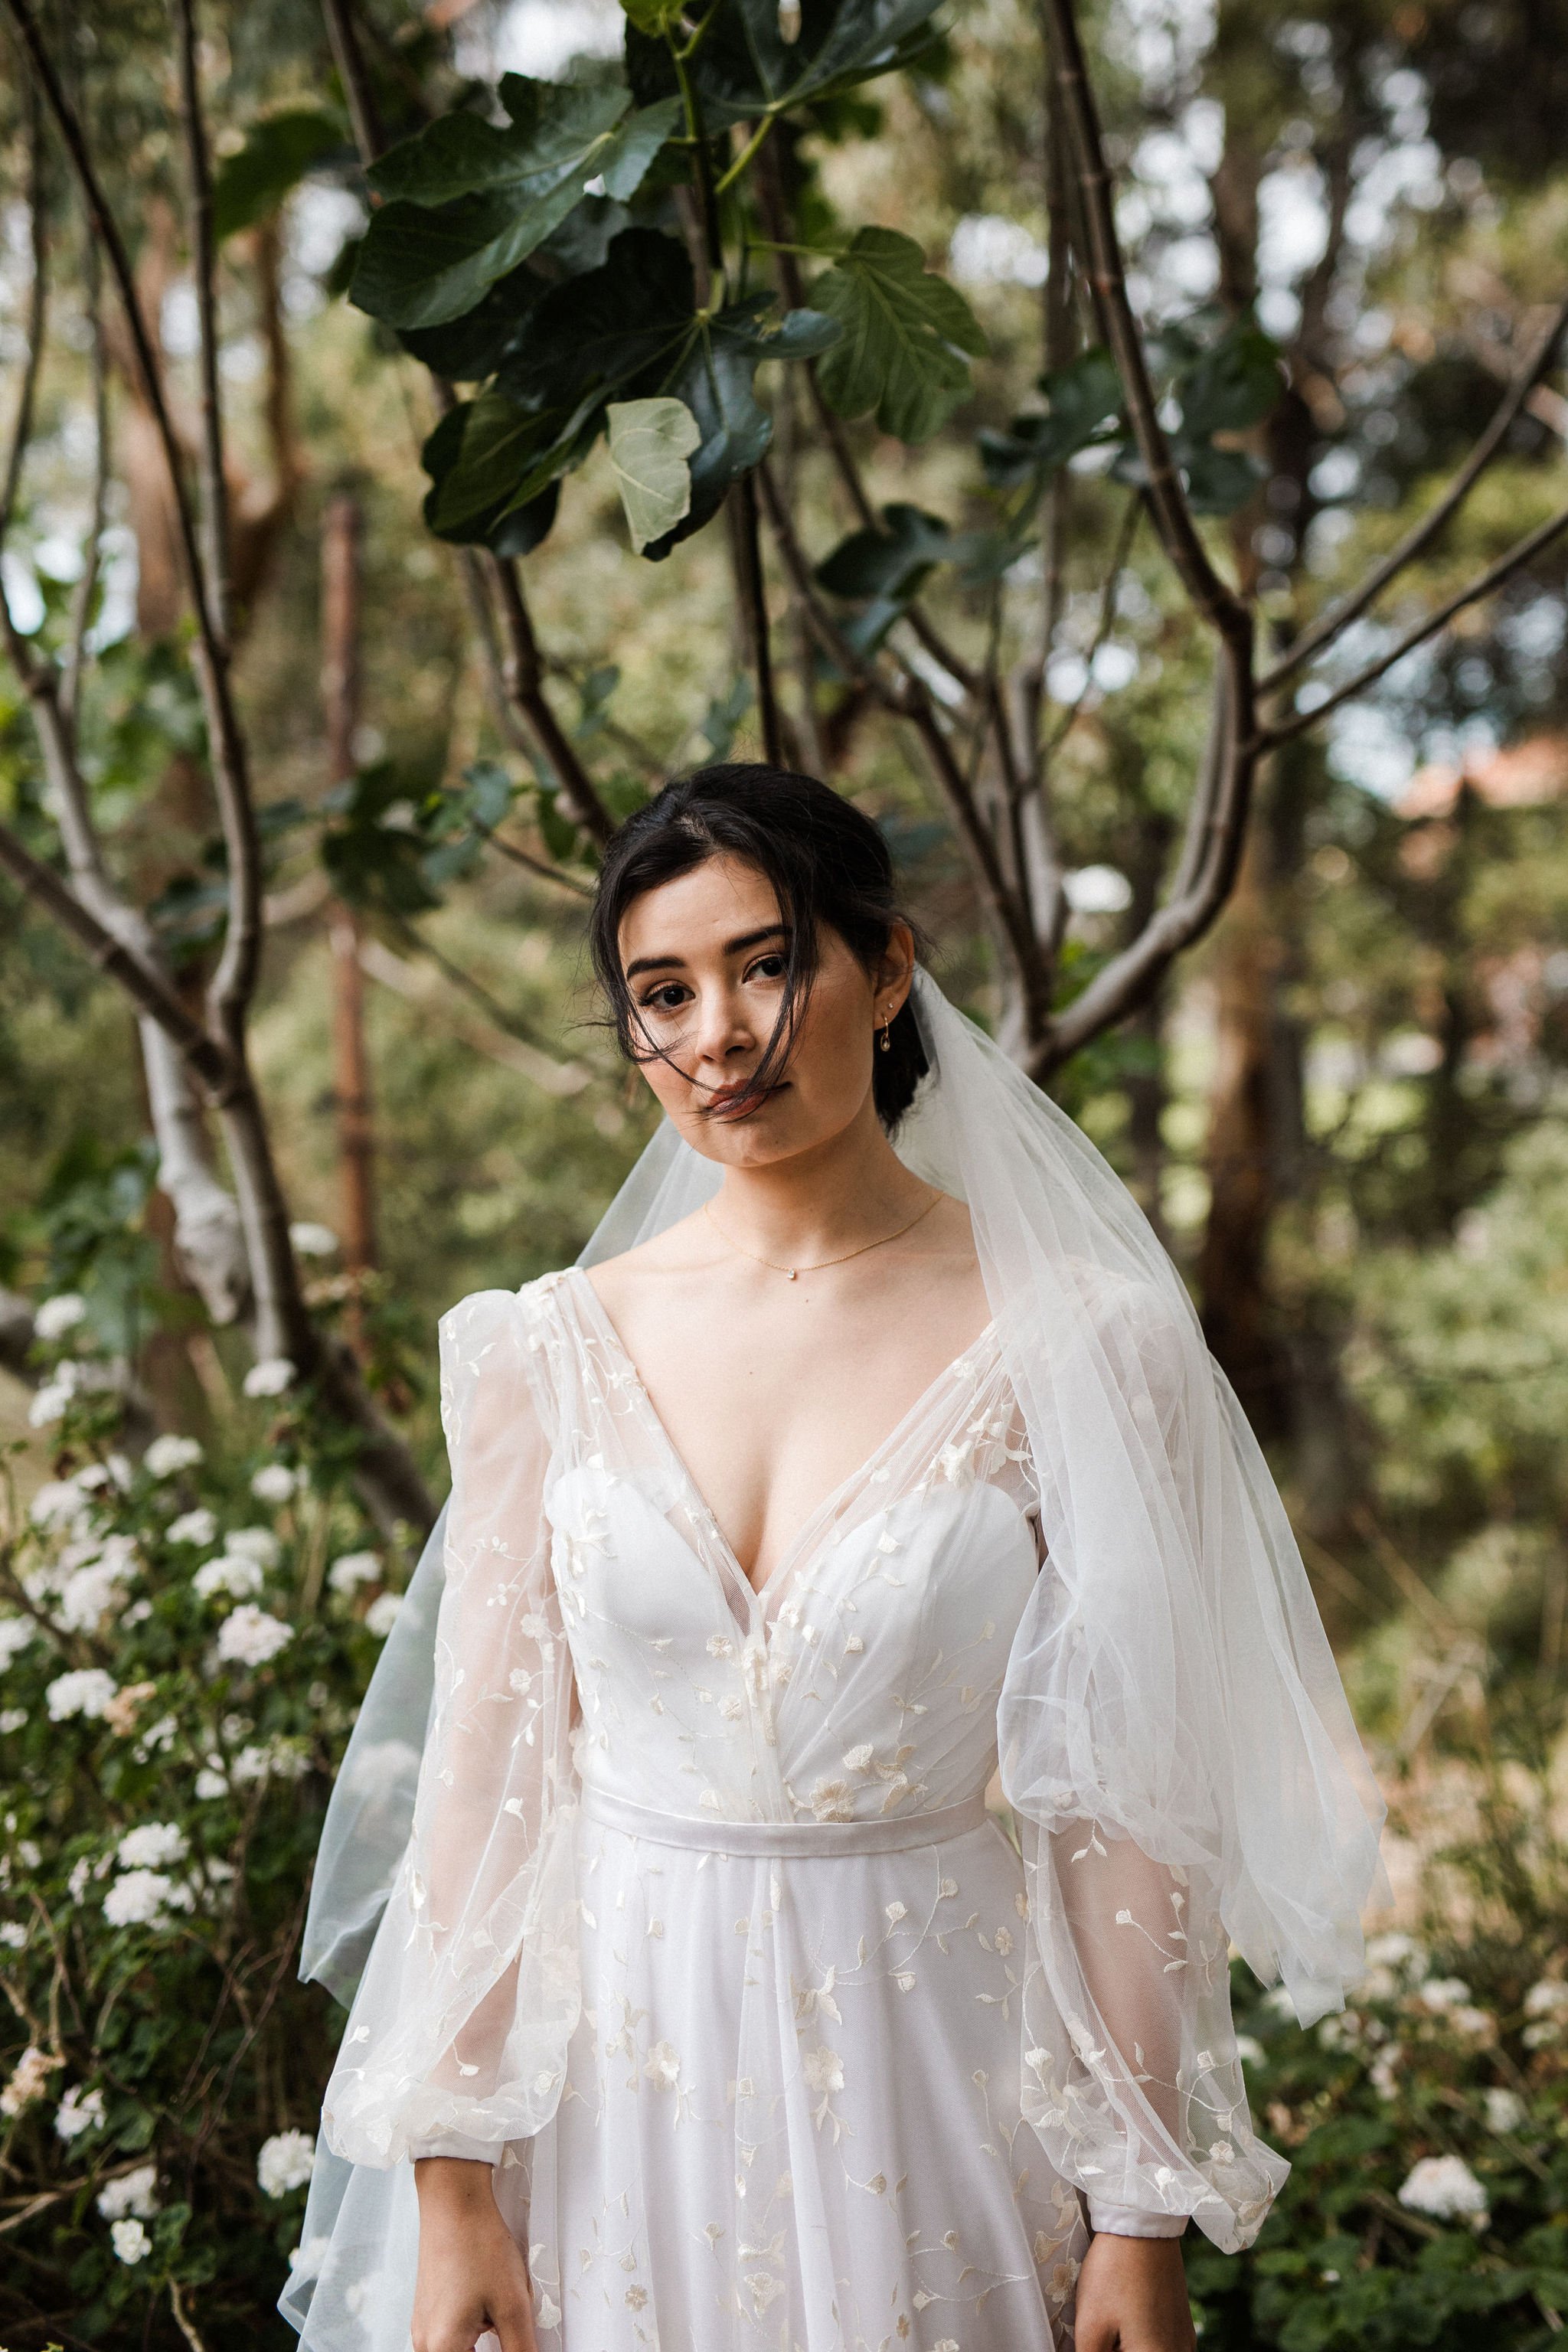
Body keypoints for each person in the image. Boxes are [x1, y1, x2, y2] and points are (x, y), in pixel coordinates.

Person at [281, 764, 1385, 2352]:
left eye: (767, 962)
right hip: (606, 2091)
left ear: (888, 968)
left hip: (924, 2071)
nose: (718, 1036)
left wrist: (1140, 2209)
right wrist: (452, 2176)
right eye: (662, 992)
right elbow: (485, 1781)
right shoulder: (544, 1351)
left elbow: (1129, 1806)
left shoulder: (1080, 1340)